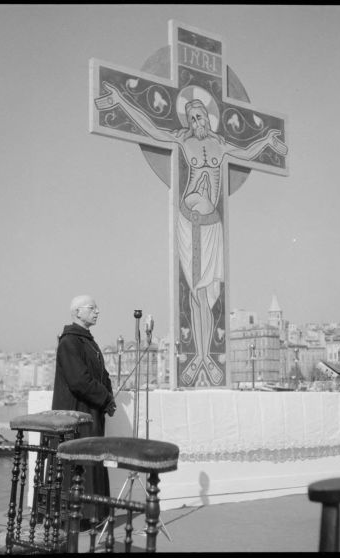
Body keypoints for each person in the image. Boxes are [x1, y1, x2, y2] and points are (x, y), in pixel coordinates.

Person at [95, 84, 287, 387]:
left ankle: (204, 357)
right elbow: (150, 126)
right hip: (189, 223)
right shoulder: (183, 140)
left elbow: (249, 151)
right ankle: (199, 357)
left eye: (201, 117)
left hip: (213, 225)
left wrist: (267, 139)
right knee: (195, 295)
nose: (197, 122)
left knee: (208, 295)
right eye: (192, 118)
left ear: (209, 118)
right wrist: (120, 101)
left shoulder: (221, 145)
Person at [51, 294, 116, 527]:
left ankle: (94, 514)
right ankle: (77, 517)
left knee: (92, 461)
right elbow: (79, 380)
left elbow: (102, 375)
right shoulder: (69, 342)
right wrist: (105, 398)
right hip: (75, 413)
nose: (97, 311)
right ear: (77, 312)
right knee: (79, 463)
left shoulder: (89, 342)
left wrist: (108, 396)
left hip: (91, 411)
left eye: (97, 308)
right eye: (92, 308)